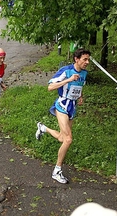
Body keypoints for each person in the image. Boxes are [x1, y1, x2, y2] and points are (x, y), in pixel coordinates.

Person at [35, 48, 91, 184]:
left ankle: (43, 128)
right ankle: (57, 170)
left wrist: (81, 96)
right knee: (68, 140)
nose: (87, 62)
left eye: (88, 59)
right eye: (85, 59)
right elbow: (50, 87)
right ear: (76, 59)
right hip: (62, 106)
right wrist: (68, 79)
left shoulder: (84, 73)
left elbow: (80, 86)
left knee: (62, 137)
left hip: (72, 107)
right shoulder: (66, 71)